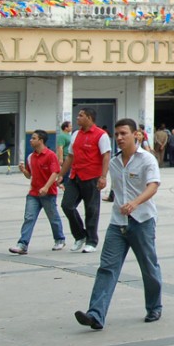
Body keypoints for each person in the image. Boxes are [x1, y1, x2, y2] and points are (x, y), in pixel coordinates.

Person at [74, 118, 162, 330]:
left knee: (148, 268)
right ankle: (96, 314)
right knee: (107, 268)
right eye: (117, 135)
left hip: (142, 221)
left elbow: (153, 186)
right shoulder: (114, 162)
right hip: (117, 223)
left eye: (124, 133)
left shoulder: (147, 160)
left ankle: (154, 307)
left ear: (136, 135)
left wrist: (135, 203)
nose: (120, 138)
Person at [58, 107, 110, 253]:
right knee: (67, 205)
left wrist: (103, 176)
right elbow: (70, 156)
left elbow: (106, 156)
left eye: (80, 116)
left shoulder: (101, 135)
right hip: (75, 176)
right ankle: (80, 235)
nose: (77, 118)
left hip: (92, 177)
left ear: (89, 117)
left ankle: (91, 241)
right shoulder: (75, 134)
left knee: (91, 209)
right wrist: (61, 174)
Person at [10, 130, 66, 255]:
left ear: (41, 141)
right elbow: (29, 175)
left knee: (53, 217)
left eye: (33, 138)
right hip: (33, 194)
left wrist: (46, 187)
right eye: (31, 138)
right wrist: (23, 170)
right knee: (29, 218)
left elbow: (55, 172)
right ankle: (22, 244)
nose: (31, 140)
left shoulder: (51, 155)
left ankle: (59, 239)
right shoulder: (30, 157)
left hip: (48, 193)